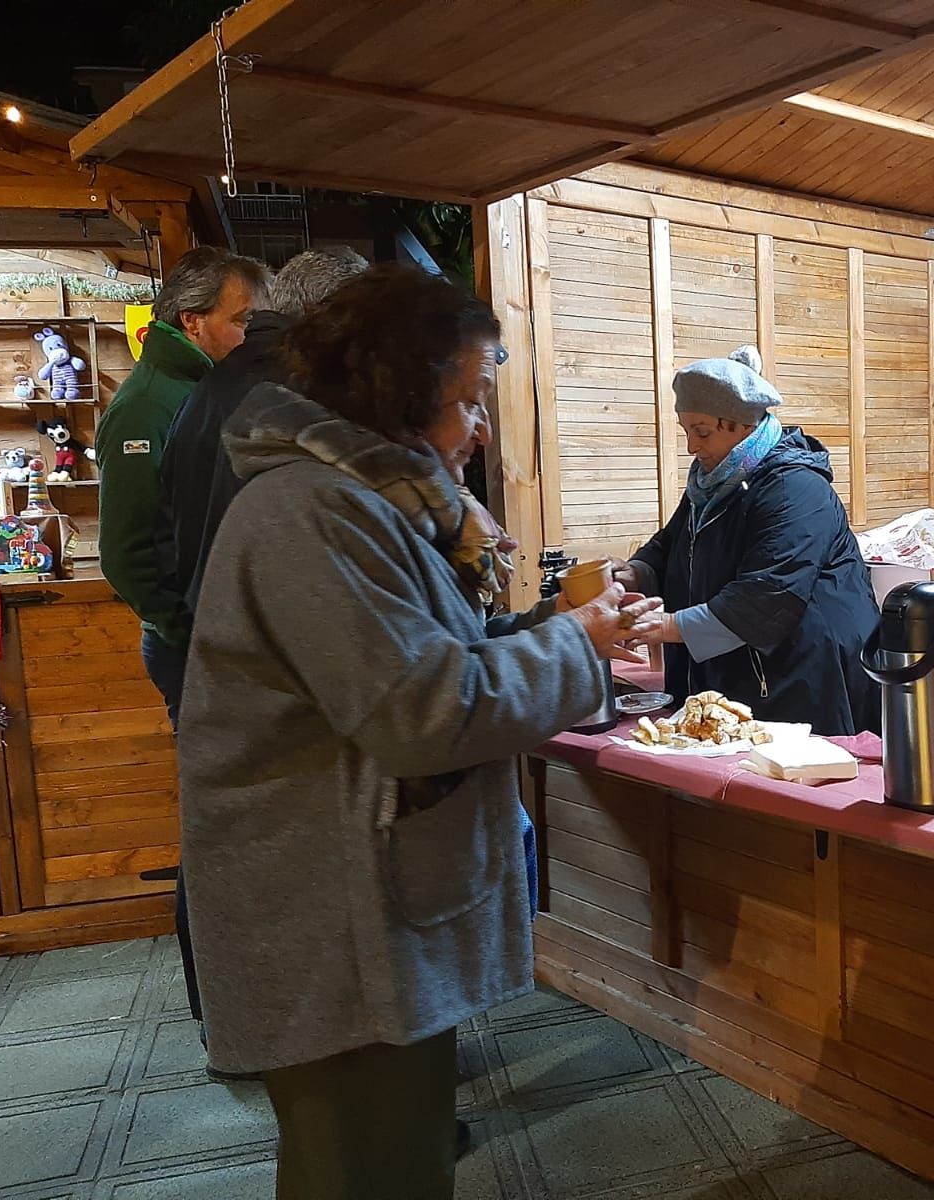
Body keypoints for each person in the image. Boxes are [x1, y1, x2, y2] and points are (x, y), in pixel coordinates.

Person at [178, 265, 659, 1199]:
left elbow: (431, 661)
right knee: (368, 1172)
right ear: (396, 393)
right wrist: (577, 642)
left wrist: (548, 631)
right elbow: (426, 713)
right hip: (330, 914)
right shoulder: (315, 513)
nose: (480, 428)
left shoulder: (353, 503)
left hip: (358, 900)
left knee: (386, 1160)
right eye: (468, 399)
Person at [617, 345, 879, 736]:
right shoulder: (713, 484)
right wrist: (631, 573)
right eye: (687, 430)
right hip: (749, 671)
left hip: (808, 672)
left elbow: (767, 594)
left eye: (701, 432)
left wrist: (664, 626)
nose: (692, 446)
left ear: (742, 425)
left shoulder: (795, 487)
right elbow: (672, 544)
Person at [158, 246, 369, 640]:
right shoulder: (309, 389)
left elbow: (168, 524)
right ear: (334, 315)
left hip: (215, 624)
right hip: (276, 635)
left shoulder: (207, 390)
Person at [98, 245, 271, 723]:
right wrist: (191, 628)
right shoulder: (146, 405)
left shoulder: (206, 388)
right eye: (242, 322)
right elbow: (124, 551)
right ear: (192, 322)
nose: (249, 337)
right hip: (193, 643)